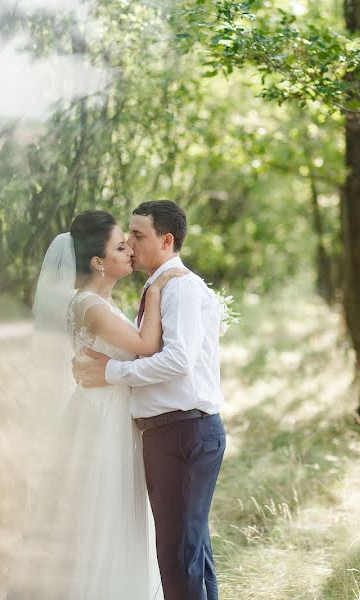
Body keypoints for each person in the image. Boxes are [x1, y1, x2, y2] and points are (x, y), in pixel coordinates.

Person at [9, 209, 184, 599]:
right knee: (103, 509)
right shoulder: (89, 305)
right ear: (98, 262)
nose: (130, 251)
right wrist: (156, 289)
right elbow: (147, 346)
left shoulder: (99, 303)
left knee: (115, 511)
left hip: (109, 411)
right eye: (121, 246)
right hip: (103, 419)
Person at [73, 200, 227, 600]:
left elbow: (175, 361)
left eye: (138, 236)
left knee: (180, 558)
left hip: (185, 430)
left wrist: (111, 372)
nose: (131, 242)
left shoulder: (179, 286)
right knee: (188, 554)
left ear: (167, 239)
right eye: (127, 236)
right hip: (164, 433)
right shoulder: (158, 288)